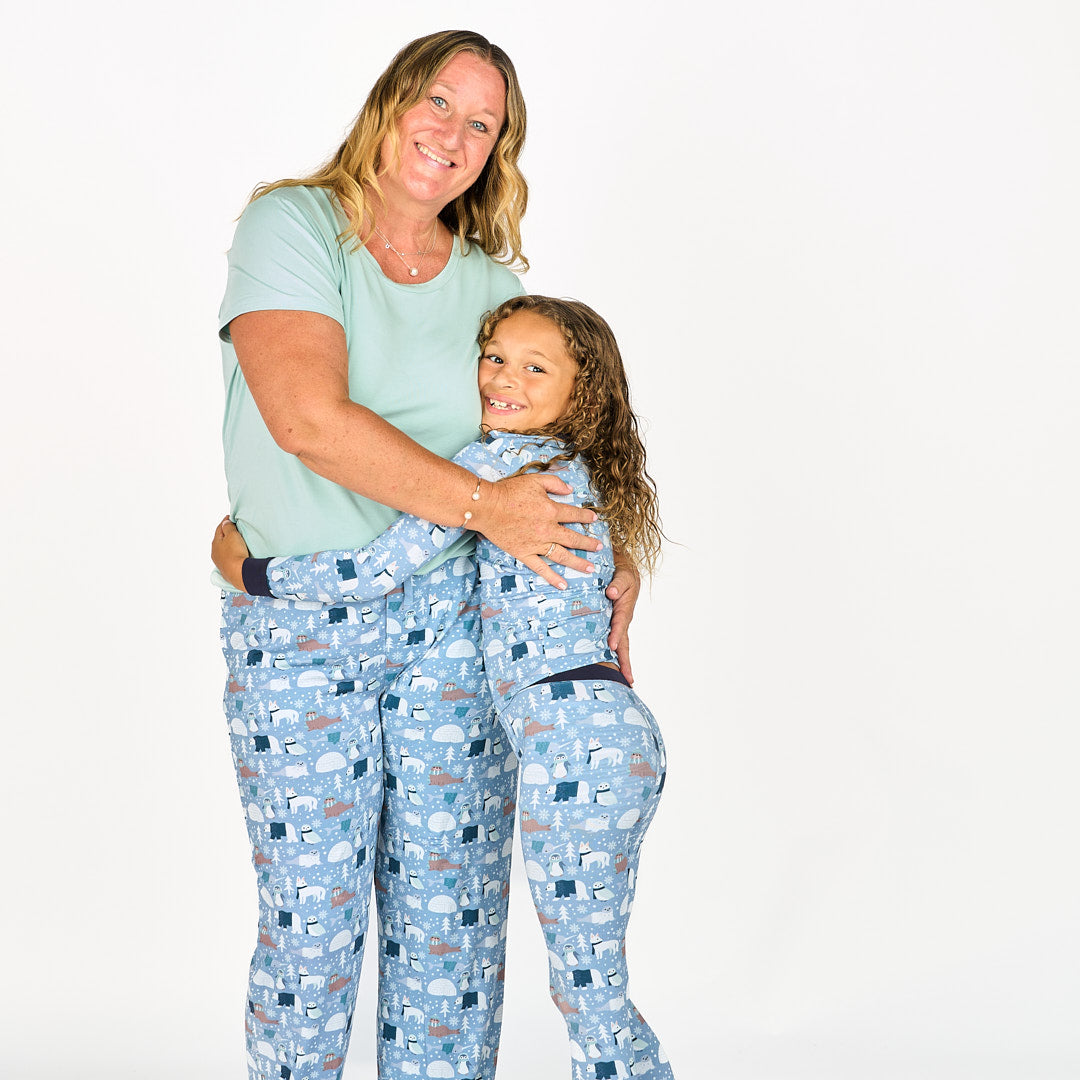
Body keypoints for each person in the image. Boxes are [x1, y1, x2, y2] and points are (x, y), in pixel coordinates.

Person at [215, 30, 640, 1080]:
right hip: (302, 639)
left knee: (449, 929)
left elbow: (550, 429)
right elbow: (306, 420)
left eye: (481, 122)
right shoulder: (293, 225)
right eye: (439, 103)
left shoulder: (493, 284)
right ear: (393, 100)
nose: (452, 133)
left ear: (498, 151)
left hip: (457, 637)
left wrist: (608, 563)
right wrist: (486, 508)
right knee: (310, 935)